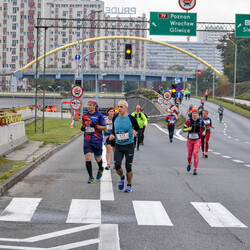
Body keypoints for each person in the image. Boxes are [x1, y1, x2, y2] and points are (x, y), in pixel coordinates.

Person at [109, 100, 139, 193]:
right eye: (118, 106)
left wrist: (135, 131)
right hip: (118, 145)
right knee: (117, 166)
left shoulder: (131, 118)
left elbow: (137, 128)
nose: (119, 108)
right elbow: (114, 130)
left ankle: (129, 185)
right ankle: (122, 177)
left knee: (128, 167)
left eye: (121, 107)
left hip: (129, 145)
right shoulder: (115, 118)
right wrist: (112, 135)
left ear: (126, 107)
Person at [81, 100, 107, 183]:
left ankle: (100, 168)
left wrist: (96, 126)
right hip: (87, 139)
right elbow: (83, 125)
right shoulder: (85, 115)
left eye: (90, 105)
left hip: (97, 140)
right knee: (88, 156)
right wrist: (82, 128)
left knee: (97, 158)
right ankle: (90, 177)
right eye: (88, 105)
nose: (89, 106)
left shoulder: (99, 115)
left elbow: (105, 128)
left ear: (94, 106)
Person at [182, 108, 206, 175]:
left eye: (196, 113)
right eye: (193, 113)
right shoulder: (188, 121)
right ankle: (189, 163)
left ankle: (195, 169)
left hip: (197, 140)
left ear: (198, 114)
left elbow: (204, 128)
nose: (195, 115)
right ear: (191, 114)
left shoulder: (201, 121)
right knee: (189, 155)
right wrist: (187, 129)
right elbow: (183, 129)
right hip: (190, 140)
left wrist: (204, 131)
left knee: (195, 153)